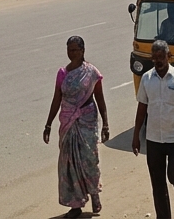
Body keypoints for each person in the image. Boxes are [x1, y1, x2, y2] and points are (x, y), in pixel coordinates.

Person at [43, 35, 109, 219]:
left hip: (87, 120)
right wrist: (48, 124)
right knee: (69, 164)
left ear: (82, 51)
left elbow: (99, 98)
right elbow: (57, 99)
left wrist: (105, 124)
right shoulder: (62, 74)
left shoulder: (91, 72)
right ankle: (75, 204)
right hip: (68, 122)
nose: (71, 53)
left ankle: (94, 193)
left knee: (89, 159)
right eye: (69, 50)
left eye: (74, 50)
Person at [132, 39, 174, 219]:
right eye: (154, 57)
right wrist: (136, 135)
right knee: (158, 185)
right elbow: (141, 108)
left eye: (161, 57)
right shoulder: (146, 79)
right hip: (154, 140)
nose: (157, 61)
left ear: (169, 56)